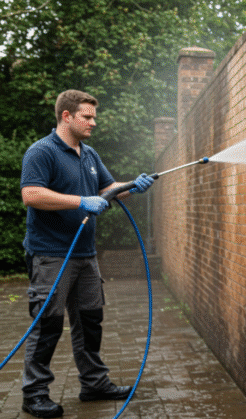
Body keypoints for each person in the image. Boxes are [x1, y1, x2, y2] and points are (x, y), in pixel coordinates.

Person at [19, 90, 155, 418]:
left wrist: (131, 185)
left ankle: (93, 383)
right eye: (87, 116)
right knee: (47, 324)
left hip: (86, 255)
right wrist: (80, 201)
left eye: (94, 116)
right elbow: (31, 193)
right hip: (51, 256)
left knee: (91, 320)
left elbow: (106, 190)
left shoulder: (89, 155)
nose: (94, 122)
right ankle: (34, 394)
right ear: (66, 116)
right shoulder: (42, 151)